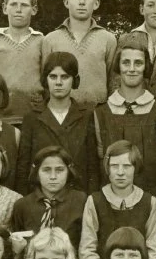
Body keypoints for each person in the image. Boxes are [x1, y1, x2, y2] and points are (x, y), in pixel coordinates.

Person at [15, 52, 98, 194]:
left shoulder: (86, 116)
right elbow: (24, 166)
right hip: (41, 198)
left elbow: (92, 166)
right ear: (45, 80)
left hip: (77, 197)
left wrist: (91, 201)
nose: (58, 82)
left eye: (65, 77)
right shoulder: (32, 118)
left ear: (74, 80)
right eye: (53, 77)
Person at [78, 140, 156, 259]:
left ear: (136, 168)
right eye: (114, 166)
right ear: (107, 168)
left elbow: (155, 250)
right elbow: (87, 249)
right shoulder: (95, 201)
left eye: (127, 166)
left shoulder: (150, 203)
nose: (120, 172)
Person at [96, 44, 156, 197]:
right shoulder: (101, 113)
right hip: (110, 200)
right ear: (118, 66)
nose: (132, 69)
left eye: (138, 63)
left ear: (146, 68)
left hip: (152, 199)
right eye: (126, 62)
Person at [41, 0, 117, 105]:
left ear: (96, 3)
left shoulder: (108, 39)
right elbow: (45, 84)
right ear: (66, 2)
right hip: (62, 115)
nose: (82, 2)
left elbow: (114, 82)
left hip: (97, 115)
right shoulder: (51, 40)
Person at [0, 0, 45, 123]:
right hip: (2, 118)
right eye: (13, 4)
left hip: (35, 117)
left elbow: (47, 78)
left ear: (34, 9)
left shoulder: (42, 41)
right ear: (5, 8)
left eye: (24, 5)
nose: (18, 9)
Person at [10, 145, 89, 251]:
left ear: (69, 172)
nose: (53, 176)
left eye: (59, 170)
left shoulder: (81, 200)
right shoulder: (22, 205)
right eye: (46, 170)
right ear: (37, 173)